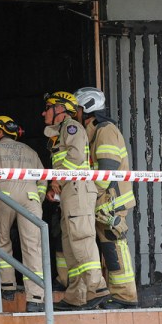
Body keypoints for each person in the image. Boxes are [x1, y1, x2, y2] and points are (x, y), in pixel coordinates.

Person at [42, 91, 110, 310]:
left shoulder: (72, 128)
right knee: (70, 243)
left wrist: (57, 182)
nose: (44, 112)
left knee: (81, 237)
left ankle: (96, 287)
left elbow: (76, 158)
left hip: (77, 189)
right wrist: (56, 184)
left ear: (60, 109)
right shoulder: (61, 132)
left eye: (48, 107)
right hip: (70, 191)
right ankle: (77, 295)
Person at [73, 87, 138, 309]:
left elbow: (107, 168)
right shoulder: (93, 131)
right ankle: (117, 294)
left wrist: (93, 195)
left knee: (115, 246)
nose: (76, 114)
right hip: (104, 200)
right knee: (108, 249)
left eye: (78, 109)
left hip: (111, 201)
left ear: (87, 108)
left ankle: (126, 296)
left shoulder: (105, 130)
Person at [0, 116, 47, 312]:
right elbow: (43, 179)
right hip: (31, 198)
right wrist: (36, 199)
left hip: (3, 196)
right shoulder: (31, 151)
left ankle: (7, 287)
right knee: (33, 246)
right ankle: (36, 298)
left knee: (2, 241)